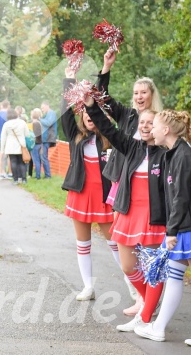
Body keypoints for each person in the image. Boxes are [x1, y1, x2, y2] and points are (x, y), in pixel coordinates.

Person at [134, 110, 191, 348]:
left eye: (155, 126)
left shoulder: (183, 155)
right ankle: (158, 328)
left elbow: (180, 197)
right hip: (185, 226)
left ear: (166, 130)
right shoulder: (172, 154)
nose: (151, 130)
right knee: (173, 276)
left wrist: (171, 232)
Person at [84, 97, 166, 332]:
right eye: (142, 122)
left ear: (158, 127)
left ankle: (146, 317)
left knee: (153, 269)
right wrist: (91, 106)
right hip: (129, 211)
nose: (145, 126)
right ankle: (147, 302)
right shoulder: (131, 145)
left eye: (150, 122)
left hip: (154, 216)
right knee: (128, 266)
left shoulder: (166, 153)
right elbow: (108, 127)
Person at [98, 50, 164, 311]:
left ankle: (149, 296)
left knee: (145, 241)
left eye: (143, 93)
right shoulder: (126, 116)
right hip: (123, 181)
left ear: (151, 95)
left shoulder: (160, 120)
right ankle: (140, 294)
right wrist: (106, 67)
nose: (139, 97)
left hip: (148, 186)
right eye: (136, 93)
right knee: (124, 238)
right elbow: (102, 100)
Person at [61, 69, 117, 301]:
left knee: (116, 244)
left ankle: (134, 285)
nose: (90, 119)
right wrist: (69, 80)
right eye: (87, 116)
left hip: (105, 198)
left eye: (94, 116)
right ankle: (88, 287)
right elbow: (65, 114)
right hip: (81, 196)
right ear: (82, 116)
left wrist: (104, 75)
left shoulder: (111, 138)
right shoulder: (75, 135)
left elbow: (102, 98)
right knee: (83, 244)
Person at [0, 109, 29, 185]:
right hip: (21, 144)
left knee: (13, 162)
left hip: (10, 145)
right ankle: (24, 179)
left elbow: (3, 137)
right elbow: (27, 134)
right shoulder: (22, 122)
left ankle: (15, 179)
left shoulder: (6, 124)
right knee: (21, 162)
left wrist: (2, 149)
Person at [39, 100, 57, 179]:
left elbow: (48, 123)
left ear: (47, 106)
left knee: (44, 156)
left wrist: (39, 119)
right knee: (43, 156)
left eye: (42, 108)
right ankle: (46, 174)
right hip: (45, 138)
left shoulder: (51, 113)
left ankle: (48, 175)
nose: (42, 110)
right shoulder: (47, 114)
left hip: (48, 138)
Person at [30, 108, 44, 179]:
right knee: (38, 160)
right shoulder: (39, 123)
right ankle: (38, 174)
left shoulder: (34, 123)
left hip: (35, 144)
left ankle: (37, 176)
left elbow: (34, 135)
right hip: (39, 143)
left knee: (36, 160)